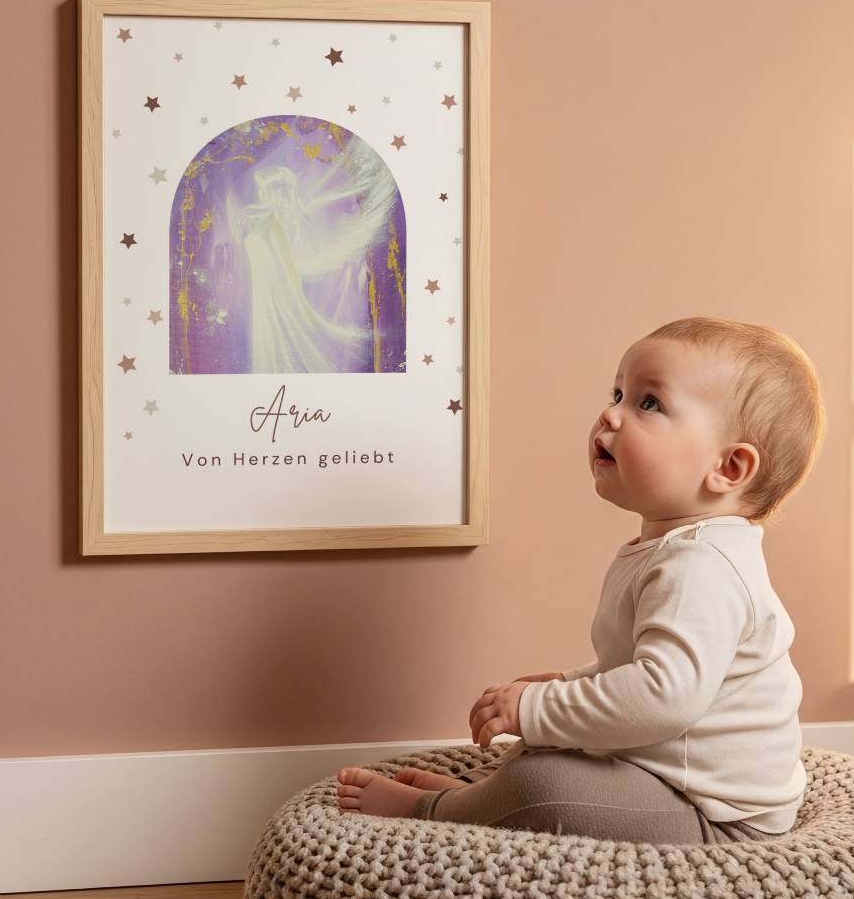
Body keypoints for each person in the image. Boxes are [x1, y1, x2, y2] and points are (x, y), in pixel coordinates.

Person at [337, 316, 828, 845]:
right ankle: (478, 799)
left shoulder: (701, 567)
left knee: (543, 784)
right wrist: (567, 684)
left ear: (728, 468)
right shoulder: (677, 550)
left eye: (648, 403)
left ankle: (435, 811)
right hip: (665, 777)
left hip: (714, 814)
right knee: (556, 735)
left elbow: (662, 697)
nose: (609, 414)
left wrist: (534, 707)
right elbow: (636, 671)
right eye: (618, 394)